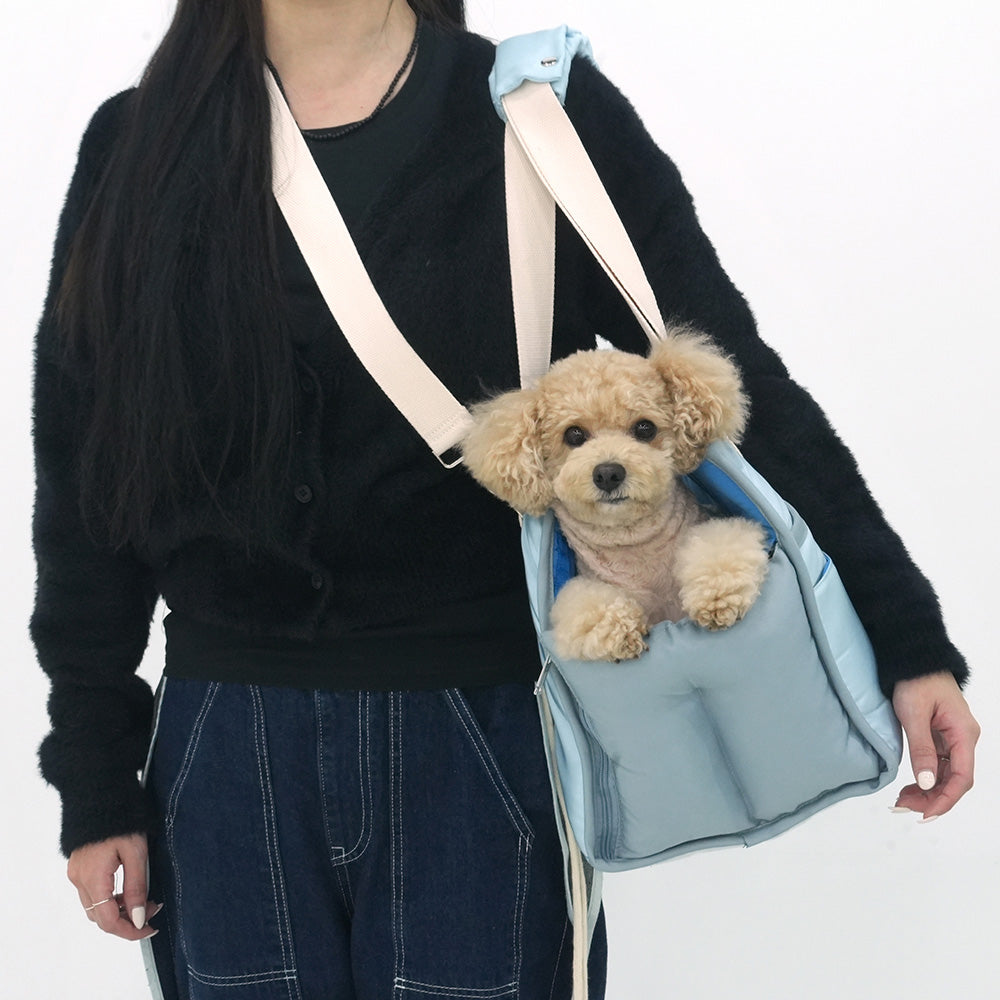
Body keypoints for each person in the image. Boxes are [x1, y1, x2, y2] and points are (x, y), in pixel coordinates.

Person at [32, 1, 979, 997]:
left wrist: (904, 633)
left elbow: (734, 381)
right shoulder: (137, 145)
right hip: (226, 751)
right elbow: (85, 482)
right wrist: (95, 778)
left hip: (483, 734)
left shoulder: (539, 113)